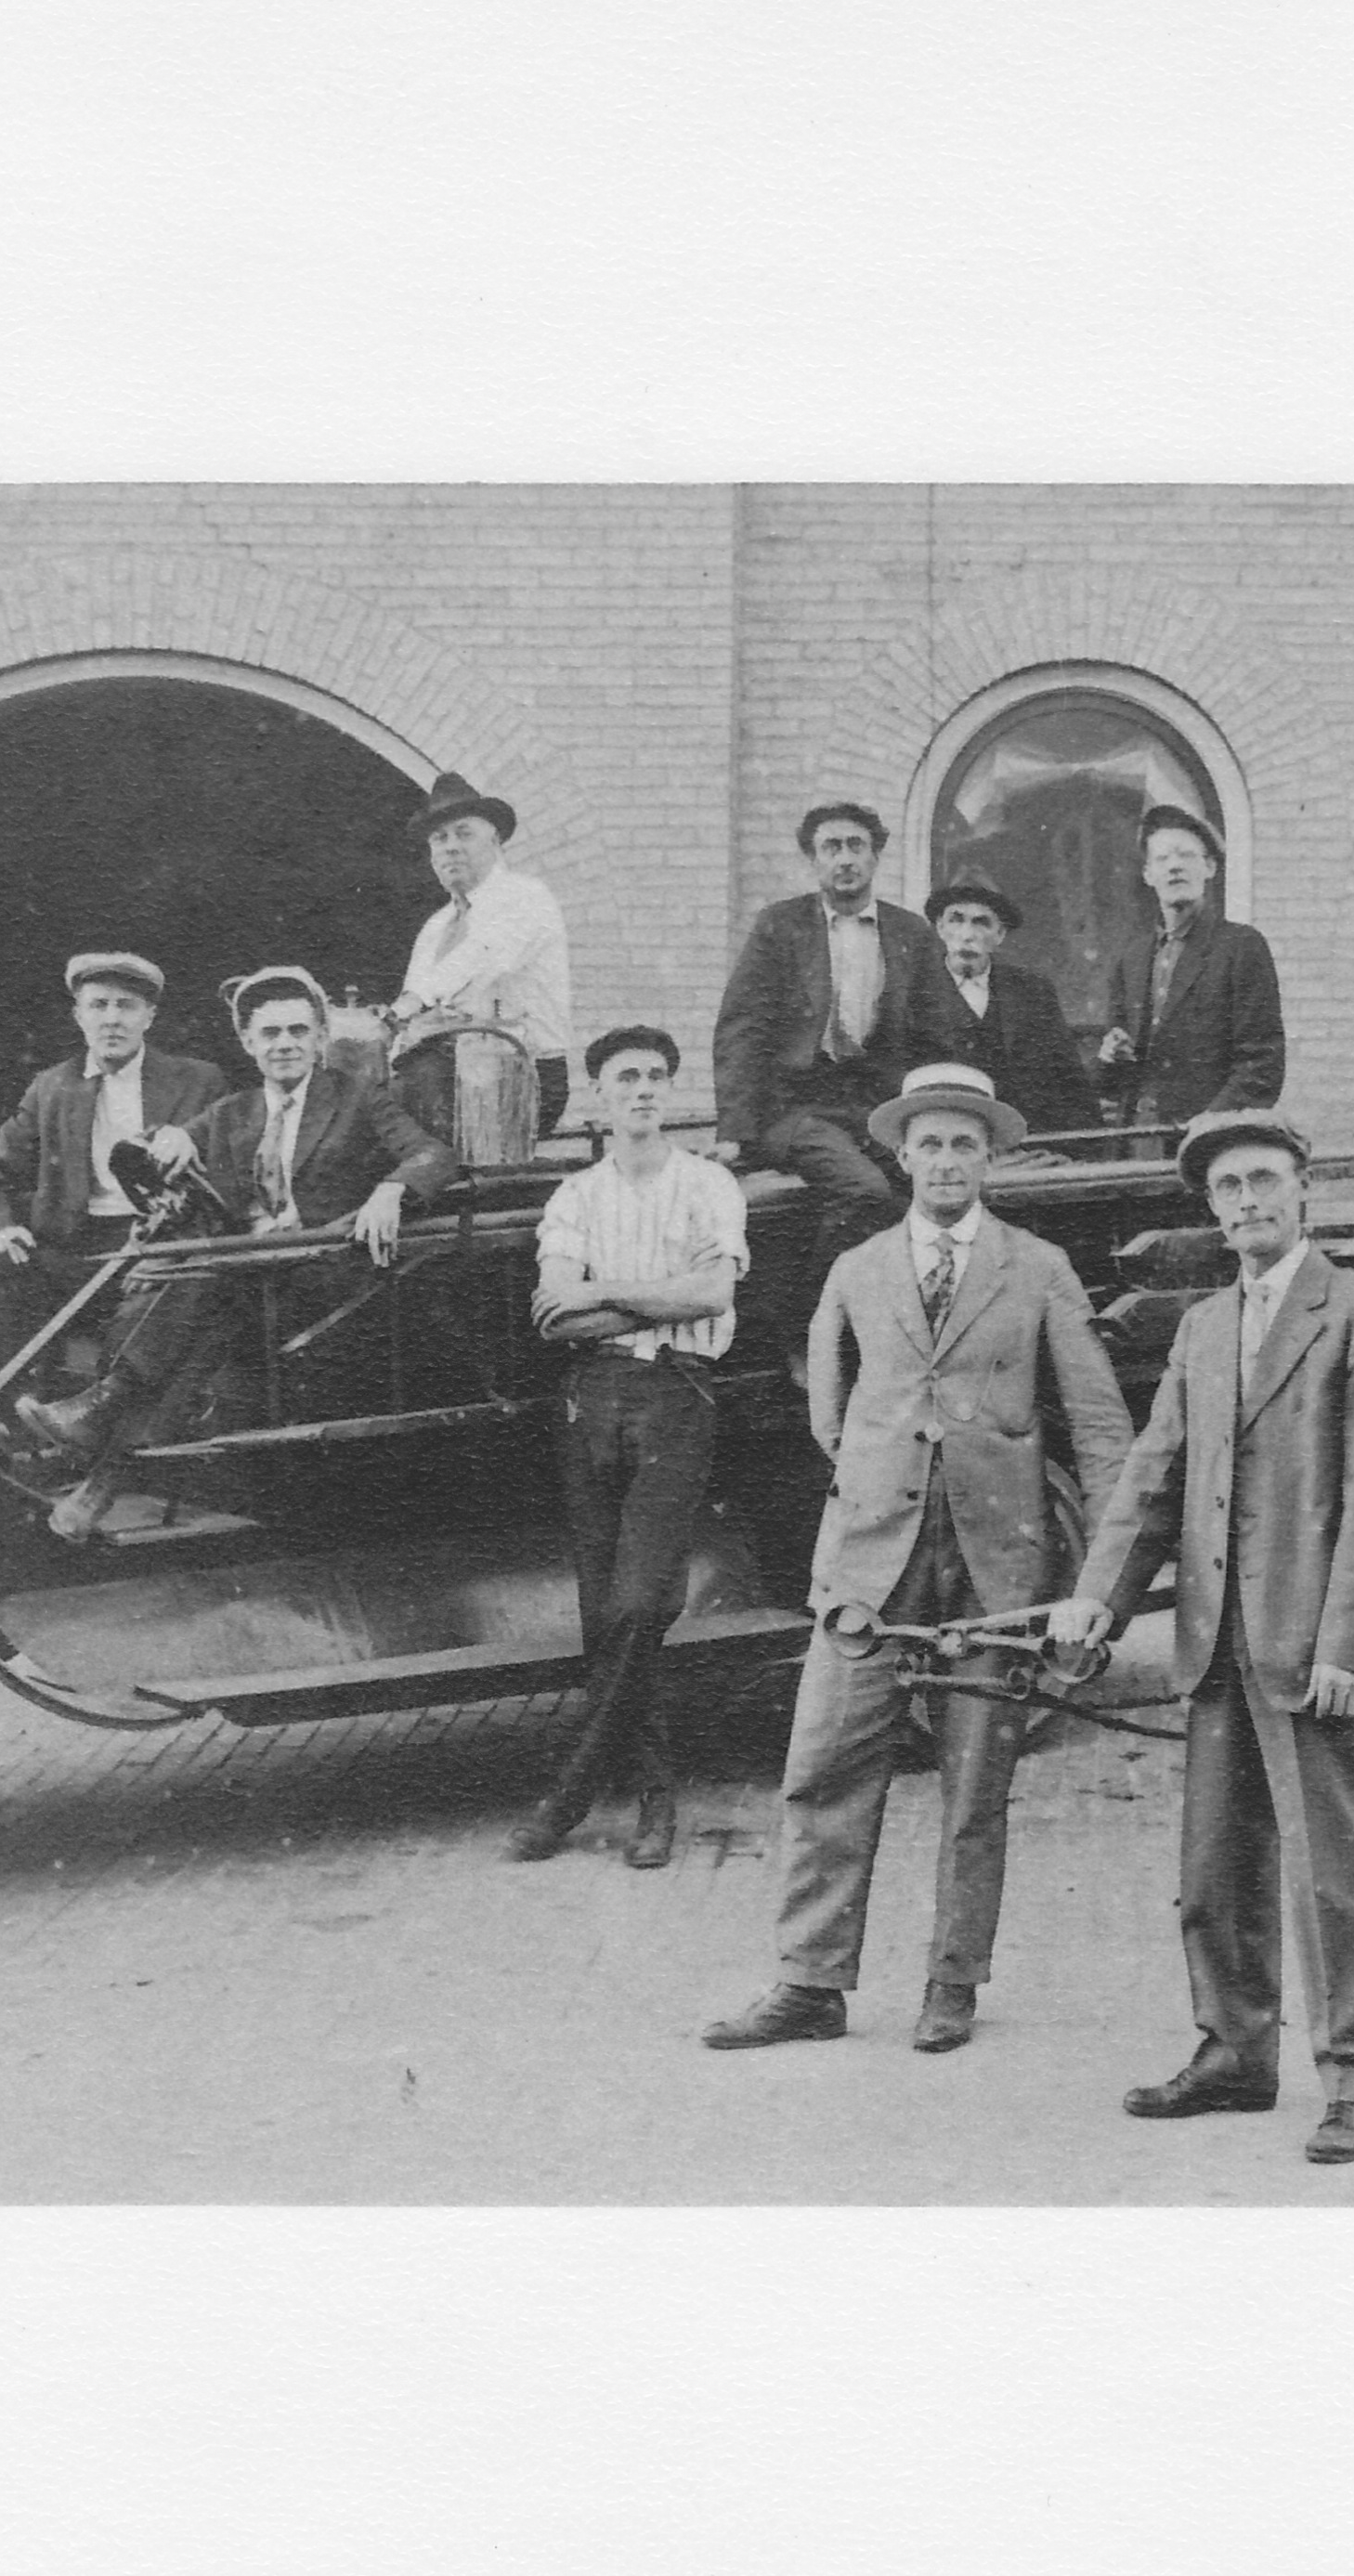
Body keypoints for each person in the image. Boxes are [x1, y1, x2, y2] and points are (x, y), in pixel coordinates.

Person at [701, 1063, 1134, 2054]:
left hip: (995, 1567)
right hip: (870, 1564)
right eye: (930, 1144)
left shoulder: (1039, 1269)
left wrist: (1098, 1589)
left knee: (975, 1786)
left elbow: (1105, 1432)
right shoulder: (857, 1269)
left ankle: (952, 1982)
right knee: (821, 1767)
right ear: (902, 1157)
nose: (946, 1161)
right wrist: (869, 1475)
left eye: (965, 1144)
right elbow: (827, 1405)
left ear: (993, 1158)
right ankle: (809, 1983)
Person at [1055, 1112, 1354, 2165]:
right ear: (1212, 1209)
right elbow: (1152, 1476)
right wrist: (1099, 1595)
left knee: (1333, 1874)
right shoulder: (1202, 1329)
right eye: (1228, 1189)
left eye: (1264, 1181)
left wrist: (1352, 1647)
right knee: (1215, 1866)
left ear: (1304, 1190)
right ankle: (1234, 2051)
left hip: (1312, 1648)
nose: (1247, 1203)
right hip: (1216, 1638)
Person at [14, 969, 453, 1539]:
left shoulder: (356, 1098)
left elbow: (432, 1154)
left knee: (210, 1281)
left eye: (299, 1030)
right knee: (207, 1313)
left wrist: (394, 1189)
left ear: (321, 1037)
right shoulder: (234, 1112)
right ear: (248, 1043)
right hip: (249, 1278)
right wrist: (167, 1138)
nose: (285, 1043)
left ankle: (105, 1411)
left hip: (329, 1276)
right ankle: (100, 1482)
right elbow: (161, 1142)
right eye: (270, 1034)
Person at [514, 1025, 750, 1867]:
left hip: (676, 1393)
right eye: (626, 1078)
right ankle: (656, 1803)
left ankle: (569, 1795)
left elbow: (715, 1289)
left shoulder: (707, 1184)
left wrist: (606, 1290)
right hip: (591, 1399)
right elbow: (553, 1314)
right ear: (602, 1098)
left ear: (669, 1092)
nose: (643, 1090)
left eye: (655, 1076)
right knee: (600, 1611)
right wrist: (657, 1298)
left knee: (642, 1602)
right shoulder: (575, 1196)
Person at [0, 952, 228, 1368]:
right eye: (99, 1005)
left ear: (149, 1017)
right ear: (79, 1016)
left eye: (126, 1006)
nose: (112, 1019)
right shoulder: (51, 1087)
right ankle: (11, 1417)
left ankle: (107, 1419)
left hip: (160, 1252)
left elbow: (226, 1179)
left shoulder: (199, 1081)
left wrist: (170, 1245)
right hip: (73, 1254)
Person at [711, 802, 957, 1244]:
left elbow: (939, 1037)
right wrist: (735, 1132)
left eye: (856, 846)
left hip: (877, 1109)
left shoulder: (911, 934)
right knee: (865, 1191)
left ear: (875, 857)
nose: (845, 858)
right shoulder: (780, 926)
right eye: (831, 847)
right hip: (795, 1110)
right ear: (814, 860)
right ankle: (825, 1309)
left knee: (932, 1194)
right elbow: (741, 1031)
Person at [384, 772, 574, 1139]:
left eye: (464, 833)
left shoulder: (526, 898)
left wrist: (402, 1010)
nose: (451, 846)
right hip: (444, 1073)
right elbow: (410, 1018)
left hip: (523, 1073)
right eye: (440, 839)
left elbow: (477, 962)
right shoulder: (436, 927)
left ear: (495, 841)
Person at [1093, 806, 1285, 1125]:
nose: (1175, 866)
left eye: (1186, 855)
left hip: (1209, 1144)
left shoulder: (1240, 946)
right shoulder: (1132, 960)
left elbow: (1262, 1066)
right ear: (1147, 874)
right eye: (1162, 859)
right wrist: (1109, 1057)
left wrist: (1207, 1127)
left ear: (1209, 867)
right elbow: (1113, 1081)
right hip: (1138, 1141)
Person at [919, 877, 1093, 1137]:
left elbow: (1069, 1079)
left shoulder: (1033, 991)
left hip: (1025, 1145)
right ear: (940, 928)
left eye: (982, 922)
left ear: (999, 935)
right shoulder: (912, 992)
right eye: (957, 920)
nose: (968, 935)